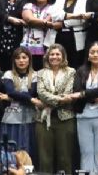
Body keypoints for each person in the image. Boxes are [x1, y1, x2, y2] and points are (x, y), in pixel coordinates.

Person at [35, 43, 76, 174]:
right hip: (43, 119)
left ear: (63, 56)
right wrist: (59, 99)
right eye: (52, 54)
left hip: (65, 118)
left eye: (58, 54)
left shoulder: (71, 72)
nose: (54, 57)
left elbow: (68, 92)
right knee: (45, 158)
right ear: (47, 57)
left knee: (65, 158)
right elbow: (41, 92)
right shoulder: (40, 73)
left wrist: (48, 101)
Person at [73, 41, 98, 172]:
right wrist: (96, 98)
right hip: (83, 115)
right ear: (88, 55)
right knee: (86, 152)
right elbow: (76, 90)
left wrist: (85, 94)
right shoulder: (81, 71)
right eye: (92, 52)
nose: (95, 55)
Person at [1, 47, 39, 166]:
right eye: (18, 58)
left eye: (24, 57)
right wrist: (30, 99)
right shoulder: (8, 74)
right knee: (11, 149)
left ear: (29, 59)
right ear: (14, 61)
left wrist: (23, 96)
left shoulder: (35, 75)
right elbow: (11, 92)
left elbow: (32, 92)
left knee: (28, 148)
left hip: (29, 118)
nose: (21, 61)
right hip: (11, 118)